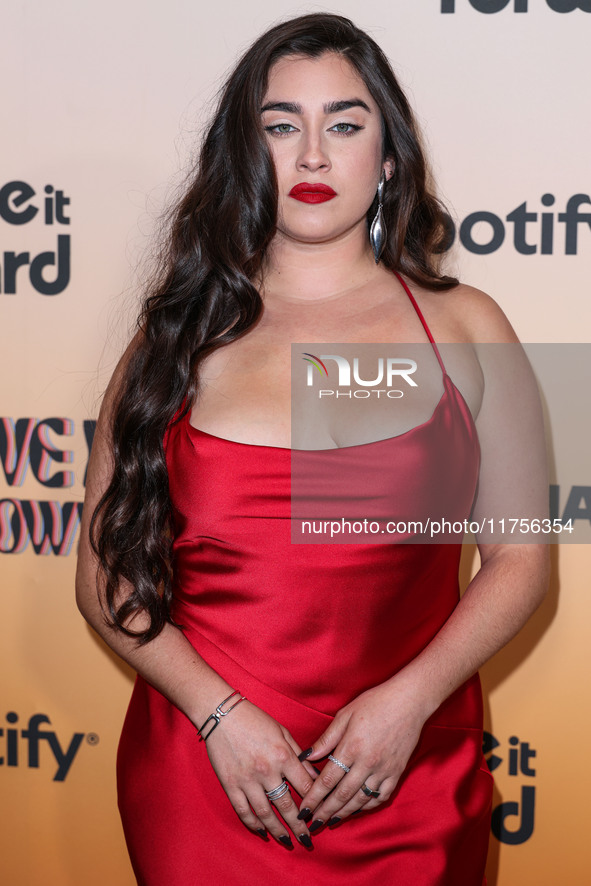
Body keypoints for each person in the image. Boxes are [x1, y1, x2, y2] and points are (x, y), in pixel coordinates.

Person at [76, 12, 549, 886]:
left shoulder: (464, 325)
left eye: (344, 123)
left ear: (389, 153)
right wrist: (221, 719)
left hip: (405, 770)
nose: (313, 156)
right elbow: (104, 583)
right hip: (209, 771)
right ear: (243, 154)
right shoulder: (176, 338)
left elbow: (520, 556)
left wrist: (408, 704)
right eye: (280, 125)